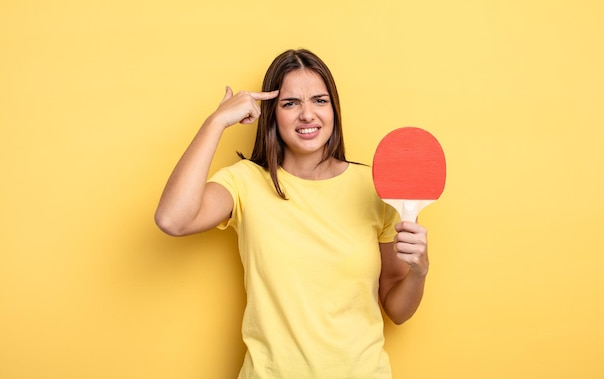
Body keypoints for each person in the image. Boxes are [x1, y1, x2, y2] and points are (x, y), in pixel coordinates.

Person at [155, 49, 429, 379]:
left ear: (334, 110)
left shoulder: (376, 188)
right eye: (290, 103)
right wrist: (216, 122)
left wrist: (418, 271)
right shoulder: (245, 182)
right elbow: (172, 219)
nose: (307, 115)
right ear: (272, 114)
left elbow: (398, 311)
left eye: (319, 100)